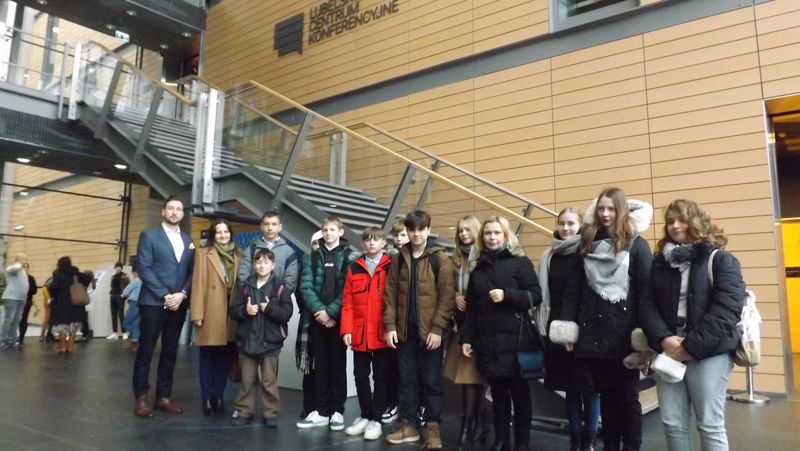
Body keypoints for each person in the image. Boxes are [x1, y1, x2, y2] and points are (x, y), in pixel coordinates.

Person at [552, 187, 653, 451]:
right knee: (606, 398)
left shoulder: (637, 244)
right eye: (601, 209)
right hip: (594, 333)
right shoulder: (587, 242)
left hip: (625, 334)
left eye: (611, 209)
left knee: (627, 399)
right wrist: (567, 328)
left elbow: (646, 294)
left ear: (621, 211)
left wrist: (645, 338)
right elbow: (573, 289)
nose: (606, 214)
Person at [639, 199, 745, 451]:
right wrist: (665, 339)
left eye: (681, 220)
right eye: (670, 221)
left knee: (709, 424)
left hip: (709, 351)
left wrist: (690, 347)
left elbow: (727, 310)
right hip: (669, 348)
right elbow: (646, 306)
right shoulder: (661, 263)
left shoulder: (720, 259)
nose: (675, 226)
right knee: (673, 424)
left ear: (696, 221)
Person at [460, 216, 542, 451]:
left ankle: (522, 442)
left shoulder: (520, 262)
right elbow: (472, 308)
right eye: (488, 233)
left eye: (497, 233)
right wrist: (467, 338)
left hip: (516, 340)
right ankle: (502, 439)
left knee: (519, 393)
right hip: (488, 341)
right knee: (497, 394)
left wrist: (508, 295)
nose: (492, 237)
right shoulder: (478, 268)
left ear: (506, 236)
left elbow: (536, 295)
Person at [383, 209, 455, 450]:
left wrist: (437, 328)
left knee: (432, 381)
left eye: (421, 229)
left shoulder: (439, 258)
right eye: (412, 230)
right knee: (407, 381)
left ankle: (433, 428)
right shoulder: (398, 258)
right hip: (405, 333)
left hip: (430, 334)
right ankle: (409, 426)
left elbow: (447, 296)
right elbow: (390, 295)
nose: (416, 234)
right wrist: (390, 326)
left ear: (428, 230)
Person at [540, 208, 599, 451]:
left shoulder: (588, 251)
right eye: (562, 223)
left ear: (580, 225)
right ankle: (575, 438)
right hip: (557, 328)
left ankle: (590, 439)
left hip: (586, 328)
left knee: (591, 388)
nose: (565, 228)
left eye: (571, 223)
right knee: (571, 389)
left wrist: (574, 330)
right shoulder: (549, 255)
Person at [132, 195, 195, 418]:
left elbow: (191, 272)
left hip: (179, 303)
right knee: (146, 351)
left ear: (182, 214)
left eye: (178, 209)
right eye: (171, 208)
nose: (174, 212)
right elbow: (144, 268)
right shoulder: (149, 236)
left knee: (170, 352)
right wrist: (165, 295)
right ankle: (141, 397)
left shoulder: (188, 240)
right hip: (153, 302)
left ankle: (163, 397)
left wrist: (183, 293)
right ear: (163, 211)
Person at [296, 216, 353, 431]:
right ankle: (320, 411)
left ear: (340, 232)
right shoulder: (311, 256)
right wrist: (320, 312)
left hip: (338, 321)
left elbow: (347, 289)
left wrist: (330, 313)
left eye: (332, 230)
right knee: (319, 366)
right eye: (325, 230)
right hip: (317, 320)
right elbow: (305, 287)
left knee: (338, 366)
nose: (328, 233)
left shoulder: (349, 256)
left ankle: (337, 411)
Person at [229, 248, 293, 427]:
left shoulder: (280, 287)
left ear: (272, 266)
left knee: (268, 380)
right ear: (254, 265)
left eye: (266, 262)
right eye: (258, 262)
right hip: (247, 340)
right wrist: (245, 310)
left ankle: (270, 413)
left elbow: (287, 313)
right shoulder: (245, 286)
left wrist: (270, 309)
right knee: (246, 380)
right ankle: (244, 411)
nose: (262, 265)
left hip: (270, 342)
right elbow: (233, 311)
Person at [340, 226, 392, 441]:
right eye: (368, 240)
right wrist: (347, 329)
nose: (371, 243)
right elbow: (348, 303)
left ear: (383, 243)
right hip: (360, 334)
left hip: (382, 334)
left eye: (376, 239)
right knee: (360, 376)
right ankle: (365, 415)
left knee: (381, 377)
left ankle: (376, 419)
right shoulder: (354, 268)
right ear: (363, 243)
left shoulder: (391, 266)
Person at [442, 215, 488, 449]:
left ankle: (473, 426)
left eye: (468, 230)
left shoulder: (483, 257)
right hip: (462, 327)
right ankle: (473, 426)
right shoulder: (456, 259)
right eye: (460, 230)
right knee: (470, 380)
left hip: (482, 326)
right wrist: (457, 296)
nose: (463, 234)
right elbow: (448, 288)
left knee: (476, 380)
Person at [191, 218, 241, 416]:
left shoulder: (239, 254)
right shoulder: (203, 254)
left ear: (231, 233)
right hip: (211, 310)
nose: (223, 235)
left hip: (231, 312)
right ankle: (207, 398)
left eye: (226, 231)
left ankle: (218, 396)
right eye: (218, 232)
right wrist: (197, 314)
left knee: (224, 357)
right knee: (207, 357)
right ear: (213, 235)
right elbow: (197, 285)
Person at [382, 218, 408, 424]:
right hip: (393, 320)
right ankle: (393, 404)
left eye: (403, 235)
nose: (399, 239)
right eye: (396, 235)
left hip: (410, 320)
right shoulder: (390, 260)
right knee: (392, 367)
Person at [238, 210, 299, 294]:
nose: (270, 228)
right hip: (253, 297)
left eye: (274, 224)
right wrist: (250, 294)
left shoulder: (288, 252)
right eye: (266, 224)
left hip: (278, 298)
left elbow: (291, 278)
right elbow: (243, 275)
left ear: (280, 227)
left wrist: (280, 295)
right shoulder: (251, 250)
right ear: (261, 226)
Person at [295, 230, 322, 420]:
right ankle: (309, 407)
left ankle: (325, 408)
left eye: (321, 243)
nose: (318, 246)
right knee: (309, 370)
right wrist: (316, 310)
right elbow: (301, 292)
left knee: (326, 369)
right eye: (315, 243)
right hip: (309, 322)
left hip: (329, 321)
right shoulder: (305, 264)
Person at [48, 256, 93, 353]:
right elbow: (87, 278)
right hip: (76, 304)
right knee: (73, 327)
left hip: (62, 305)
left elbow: (52, 288)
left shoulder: (59, 275)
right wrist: (83, 287)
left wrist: (54, 296)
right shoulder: (76, 273)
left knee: (62, 327)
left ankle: (63, 347)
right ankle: (70, 346)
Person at [1, 253, 29, 348]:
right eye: (23, 259)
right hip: (11, 297)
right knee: (9, 319)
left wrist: (25, 298)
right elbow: (14, 269)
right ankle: (3, 339)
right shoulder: (11, 268)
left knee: (17, 319)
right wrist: (19, 264)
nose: (25, 261)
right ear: (17, 260)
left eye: (26, 259)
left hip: (21, 299)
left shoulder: (23, 271)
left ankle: (12, 339)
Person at [107, 262, 129, 340]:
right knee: (113, 315)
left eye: (119, 267)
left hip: (120, 296)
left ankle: (124, 332)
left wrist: (124, 295)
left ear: (121, 268)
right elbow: (111, 285)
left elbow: (128, 286)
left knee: (121, 315)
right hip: (112, 295)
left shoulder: (124, 276)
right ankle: (114, 333)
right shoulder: (113, 276)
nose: (118, 268)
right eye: (117, 267)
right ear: (115, 268)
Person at [122, 269, 142, 352]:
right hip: (143, 303)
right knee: (135, 323)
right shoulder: (147, 281)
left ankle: (139, 336)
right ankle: (135, 342)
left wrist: (125, 295)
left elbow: (125, 292)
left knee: (126, 323)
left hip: (134, 303)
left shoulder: (136, 280)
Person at [18, 263, 38, 346]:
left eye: (26, 267)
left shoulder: (31, 278)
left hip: (27, 300)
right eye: (23, 267)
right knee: (16, 318)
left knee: (24, 318)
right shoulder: (17, 278)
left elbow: (34, 290)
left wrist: (26, 290)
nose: (25, 269)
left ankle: (21, 337)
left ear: (28, 268)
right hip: (18, 300)